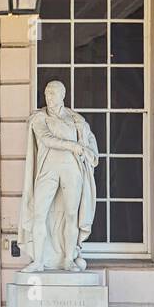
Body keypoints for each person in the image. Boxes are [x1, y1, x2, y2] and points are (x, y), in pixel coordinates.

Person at [18, 79, 98, 271]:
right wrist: (75, 147)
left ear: (63, 95)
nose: (49, 96)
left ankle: (68, 259)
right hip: (49, 168)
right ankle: (38, 261)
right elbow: (47, 139)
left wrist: (87, 151)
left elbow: (90, 141)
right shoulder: (39, 118)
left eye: (53, 93)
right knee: (39, 214)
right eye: (47, 93)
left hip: (72, 169)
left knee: (71, 215)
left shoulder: (76, 120)